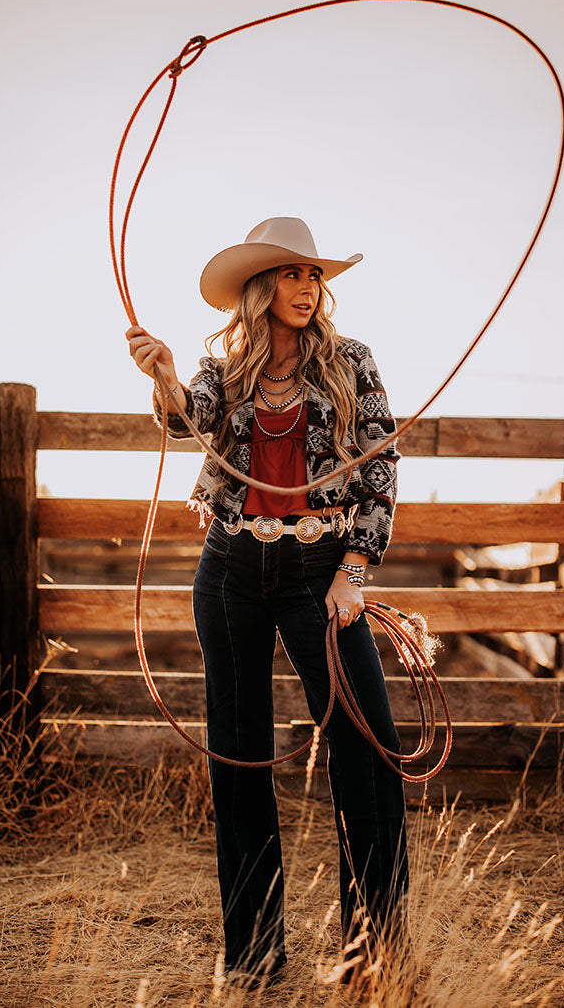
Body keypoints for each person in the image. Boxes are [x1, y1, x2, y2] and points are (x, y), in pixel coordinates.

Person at [127, 216, 407, 986]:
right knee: (239, 755)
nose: (306, 287)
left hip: (320, 568)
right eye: (291, 273)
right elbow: (190, 421)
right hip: (229, 569)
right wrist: (165, 376)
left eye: (313, 274)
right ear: (260, 286)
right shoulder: (226, 368)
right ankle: (253, 958)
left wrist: (356, 569)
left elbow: (381, 465)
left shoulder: (350, 361)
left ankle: (374, 959)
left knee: (367, 747)